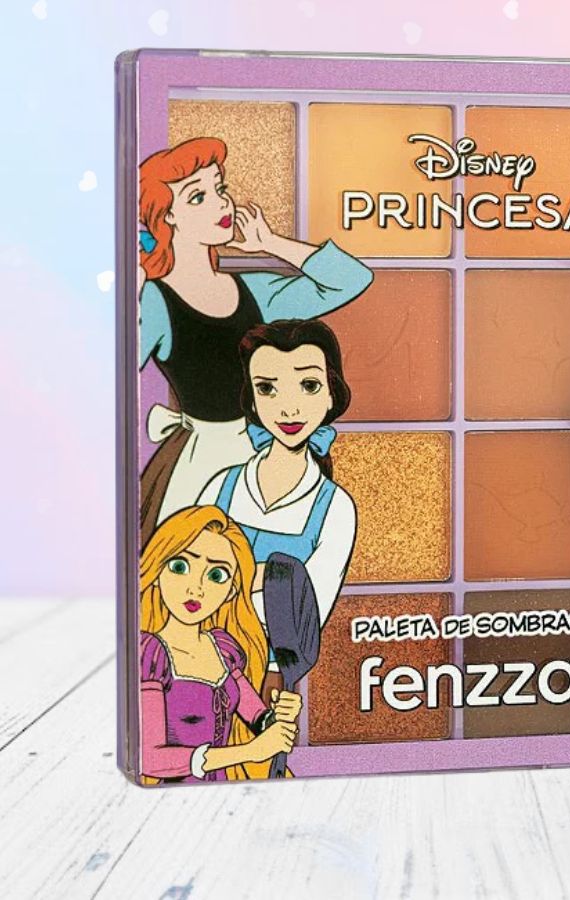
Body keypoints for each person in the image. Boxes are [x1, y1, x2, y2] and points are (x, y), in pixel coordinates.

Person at [138, 136, 373, 540]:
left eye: (220, 188)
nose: (222, 204)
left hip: (267, 455)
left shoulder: (255, 290)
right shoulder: (157, 300)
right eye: (198, 197)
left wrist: (270, 243)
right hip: (200, 462)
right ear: (168, 216)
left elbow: (351, 279)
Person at [198, 319, 356, 691]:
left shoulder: (335, 509)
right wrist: (272, 579)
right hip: (199, 665)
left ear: (331, 394)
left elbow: (304, 617)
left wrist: (235, 577)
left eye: (308, 386)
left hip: (272, 678)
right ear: (252, 400)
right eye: (268, 388)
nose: (288, 408)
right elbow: (183, 581)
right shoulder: (221, 487)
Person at [139, 506, 302, 783]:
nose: (196, 588)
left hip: (229, 790)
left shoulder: (224, 649)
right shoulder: (152, 656)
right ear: (157, 572)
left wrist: (280, 716)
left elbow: (257, 718)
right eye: (180, 567)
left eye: (216, 575)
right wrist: (250, 752)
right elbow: (150, 759)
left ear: (231, 592)